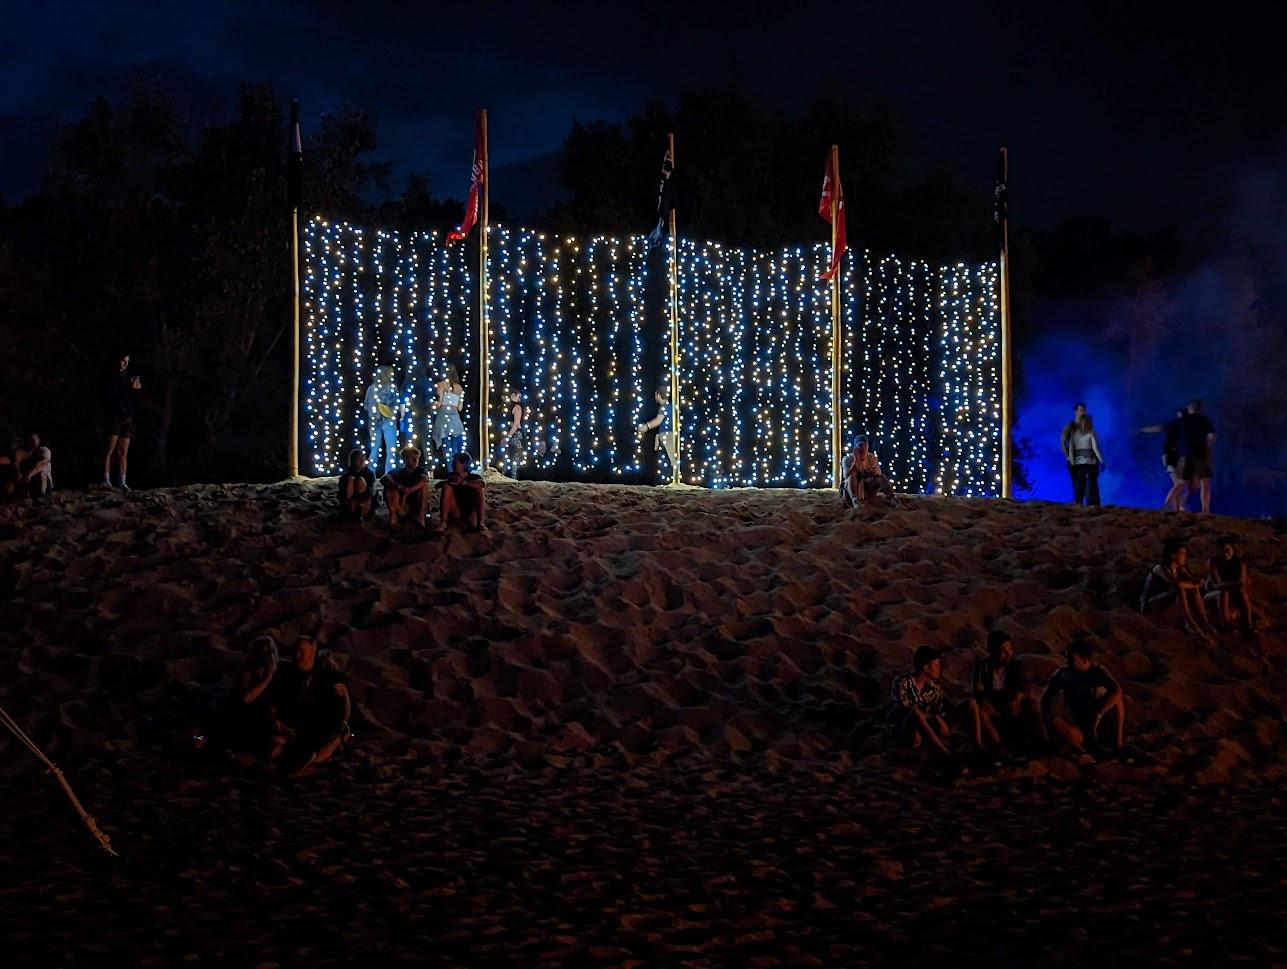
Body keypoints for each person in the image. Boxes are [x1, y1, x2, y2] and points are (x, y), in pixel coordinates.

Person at [890, 645, 985, 765]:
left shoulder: (933, 685)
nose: (940, 668)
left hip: (932, 726)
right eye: (936, 666)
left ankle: (978, 746)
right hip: (910, 731)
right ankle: (946, 755)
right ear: (926, 668)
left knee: (970, 703)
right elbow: (906, 710)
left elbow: (942, 707)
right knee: (916, 714)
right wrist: (934, 717)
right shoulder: (902, 683)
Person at [272, 638, 353, 773]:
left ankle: (320, 753)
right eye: (295, 651)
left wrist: (344, 722)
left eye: (302, 652)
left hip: (322, 719)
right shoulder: (287, 670)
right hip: (298, 719)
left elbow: (344, 697)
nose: (297, 655)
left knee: (322, 744)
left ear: (312, 653)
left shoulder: (326, 672)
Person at [1041, 639, 1128, 762]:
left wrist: (1098, 715)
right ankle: (1081, 752)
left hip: (1100, 722)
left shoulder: (1097, 671)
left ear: (1084, 660)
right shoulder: (1065, 674)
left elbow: (1117, 691)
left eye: (1071, 660)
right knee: (1056, 722)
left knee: (1118, 701)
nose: (1068, 663)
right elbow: (1046, 696)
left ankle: (1118, 746)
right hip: (1080, 726)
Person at [971, 631, 1047, 751]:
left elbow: (1025, 689)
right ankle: (998, 745)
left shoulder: (1016, 666)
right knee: (982, 711)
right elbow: (978, 692)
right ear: (993, 652)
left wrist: (1019, 695)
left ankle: (1043, 741)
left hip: (1010, 703)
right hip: (992, 704)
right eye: (1003, 651)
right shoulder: (982, 667)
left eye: (1010, 650)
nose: (1008, 654)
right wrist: (986, 704)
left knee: (1032, 704)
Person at [1141, 537, 1215, 639]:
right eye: (1182, 553)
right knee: (1181, 589)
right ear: (1173, 555)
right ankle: (1191, 623)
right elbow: (1178, 584)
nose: (1185, 556)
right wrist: (1194, 584)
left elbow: (1194, 580)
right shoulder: (1159, 568)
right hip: (1150, 602)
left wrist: (1195, 581)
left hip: (1167, 598)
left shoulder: (1179, 568)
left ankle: (1204, 621)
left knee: (1192, 590)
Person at [222, 636, 280, 757]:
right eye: (266, 653)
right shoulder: (247, 673)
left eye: (271, 651)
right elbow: (246, 699)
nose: (270, 656)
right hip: (244, 722)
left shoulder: (274, 671)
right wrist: (268, 676)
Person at [101, 353, 141, 490]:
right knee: (109, 449)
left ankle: (122, 482)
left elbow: (133, 400)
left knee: (123, 452)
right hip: (114, 416)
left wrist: (136, 390)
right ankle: (106, 480)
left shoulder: (127, 378)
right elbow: (111, 395)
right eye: (122, 360)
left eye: (126, 361)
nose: (124, 363)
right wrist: (128, 387)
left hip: (126, 417)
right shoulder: (110, 377)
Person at [1204, 539, 1257, 634]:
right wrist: (1233, 584)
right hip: (1213, 594)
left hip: (1232, 592)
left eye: (1228, 550)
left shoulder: (1240, 562)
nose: (1225, 554)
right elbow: (1216, 585)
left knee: (1243, 594)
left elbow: (1241, 584)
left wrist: (1228, 585)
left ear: (1233, 550)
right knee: (1224, 592)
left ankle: (1248, 624)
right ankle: (1226, 624)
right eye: (1222, 552)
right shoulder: (1213, 562)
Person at [1140, 409, 1187, 512]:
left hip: (1171, 455)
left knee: (1178, 484)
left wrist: (1142, 430)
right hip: (1177, 455)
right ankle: (1172, 506)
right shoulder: (1186, 426)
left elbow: (1158, 428)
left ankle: (1174, 507)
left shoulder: (1175, 423)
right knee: (1179, 484)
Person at [1177, 398, 1216, 513]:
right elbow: (1211, 437)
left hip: (1186, 454)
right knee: (1205, 482)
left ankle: (1172, 505)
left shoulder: (1184, 420)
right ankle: (1205, 510)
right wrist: (1209, 450)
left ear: (1190, 408)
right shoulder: (1205, 420)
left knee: (1182, 483)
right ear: (1200, 408)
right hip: (1200, 454)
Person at [433, 452, 487, 532]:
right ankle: (443, 522)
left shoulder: (473, 477)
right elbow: (437, 486)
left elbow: (482, 484)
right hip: (456, 511)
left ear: (464, 465)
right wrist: (447, 483)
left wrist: (463, 483)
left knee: (479, 489)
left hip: (470, 512)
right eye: (453, 463)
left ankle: (481, 522)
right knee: (447, 488)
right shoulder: (451, 477)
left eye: (455, 463)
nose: (453, 465)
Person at [382, 446, 429, 533]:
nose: (415, 461)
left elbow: (424, 479)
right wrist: (398, 486)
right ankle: (393, 518)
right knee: (389, 487)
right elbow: (384, 479)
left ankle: (421, 518)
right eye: (413, 458)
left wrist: (410, 490)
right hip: (401, 506)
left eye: (417, 458)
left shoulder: (420, 470)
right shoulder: (397, 472)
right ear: (405, 459)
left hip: (416, 506)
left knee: (424, 486)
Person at [841, 434, 898, 507]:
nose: (863, 448)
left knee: (881, 477)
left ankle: (892, 498)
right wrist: (854, 462)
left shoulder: (871, 458)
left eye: (865, 445)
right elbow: (846, 475)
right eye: (861, 445)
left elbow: (878, 472)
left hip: (867, 490)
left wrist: (870, 472)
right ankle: (855, 500)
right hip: (852, 490)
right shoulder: (848, 459)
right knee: (851, 477)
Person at [364, 365, 401, 476]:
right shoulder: (391, 387)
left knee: (375, 448)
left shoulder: (371, 388)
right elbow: (397, 403)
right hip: (387, 420)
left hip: (375, 421)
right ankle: (389, 474)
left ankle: (371, 473)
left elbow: (366, 405)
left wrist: (374, 413)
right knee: (390, 448)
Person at [637, 385, 677, 484]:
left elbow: (658, 420)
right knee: (670, 458)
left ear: (659, 395)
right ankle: (670, 480)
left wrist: (646, 426)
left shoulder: (664, 407)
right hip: (670, 435)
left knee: (668, 459)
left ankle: (669, 481)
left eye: (656, 395)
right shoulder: (672, 406)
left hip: (667, 436)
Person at [1064, 410, 1105, 506]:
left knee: (1080, 486)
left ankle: (1079, 504)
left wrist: (1072, 463)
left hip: (1079, 464)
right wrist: (1101, 461)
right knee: (1090, 486)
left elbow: (1071, 450)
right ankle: (1091, 505)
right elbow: (1095, 449)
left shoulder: (1074, 435)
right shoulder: (1091, 434)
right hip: (1090, 463)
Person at [431, 364, 466, 469]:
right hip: (455, 419)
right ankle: (457, 471)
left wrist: (433, 404)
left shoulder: (440, 385)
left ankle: (451, 471)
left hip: (444, 418)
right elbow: (460, 408)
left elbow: (439, 404)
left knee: (447, 448)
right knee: (455, 450)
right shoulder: (459, 388)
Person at [2, 430, 53, 501]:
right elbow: (16, 461)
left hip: (42, 479)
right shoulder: (22, 451)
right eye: (30, 439)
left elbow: (42, 463)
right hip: (28, 479)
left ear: (39, 440)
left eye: (34, 439)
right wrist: (18, 472)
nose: (32, 441)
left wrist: (29, 475)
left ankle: (42, 495)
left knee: (42, 474)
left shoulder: (44, 450)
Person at [337, 448, 376, 522]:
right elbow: (341, 493)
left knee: (360, 480)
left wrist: (358, 501)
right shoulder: (346, 477)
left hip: (363, 500)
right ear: (353, 460)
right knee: (350, 479)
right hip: (351, 500)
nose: (361, 460)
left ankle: (359, 512)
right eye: (359, 458)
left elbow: (370, 491)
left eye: (363, 458)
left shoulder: (369, 474)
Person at [1059, 403, 1086, 499]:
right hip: (1074, 459)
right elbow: (1063, 442)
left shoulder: (1086, 426)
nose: (1083, 412)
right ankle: (1078, 504)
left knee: (1083, 484)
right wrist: (1068, 456)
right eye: (1081, 410)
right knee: (1077, 483)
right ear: (1075, 412)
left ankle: (1080, 504)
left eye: (1084, 410)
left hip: (1084, 459)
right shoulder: (1070, 426)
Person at [499, 389, 525, 475]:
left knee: (514, 460)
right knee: (508, 459)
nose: (520, 399)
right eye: (518, 396)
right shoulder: (510, 406)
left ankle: (512, 477)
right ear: (513, 395)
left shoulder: (517, 407)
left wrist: (508, 437)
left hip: (515, 435)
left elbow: (516, 424)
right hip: (511, 434)